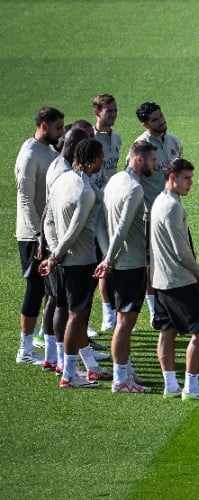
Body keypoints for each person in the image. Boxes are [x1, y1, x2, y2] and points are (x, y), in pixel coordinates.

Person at [40, 139, 108, 388]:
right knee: (77, 317)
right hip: (79, 262)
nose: (103, 161)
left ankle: (90, 367)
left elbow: (47, 220)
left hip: (60, 261)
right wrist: (57, 255)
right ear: (93, 159)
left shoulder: (63, 181)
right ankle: (69, 374)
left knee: (69, 312)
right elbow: (75, 230)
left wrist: (53, 253)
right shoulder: (84, 190)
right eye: (101, 157)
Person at [150, 158, 199, 400]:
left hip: (160, 281)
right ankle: (191, 386)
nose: (191, 183)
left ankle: (171, 385)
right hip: (178, 281)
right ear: (172, 178)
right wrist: (198, 271)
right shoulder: (173, 207)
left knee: (167, 332)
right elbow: (181, 250)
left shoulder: (160, 201)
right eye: (186, 179)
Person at [93, 140, 157, 392]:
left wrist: (107, 254)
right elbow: (122, 228)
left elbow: (100, 221)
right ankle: (120, 380)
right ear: (139, 159)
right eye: (152, 160)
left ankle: (126, 370)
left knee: (123, 320)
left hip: (118, 262)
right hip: (129, 264)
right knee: (124, 323)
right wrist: (109, 258)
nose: (156, 165)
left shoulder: (114, 181)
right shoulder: (134, 189)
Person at [15, 106, 63, 366]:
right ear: (43, 126)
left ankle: (44, 339)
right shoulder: (29, 155)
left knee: (50, 288)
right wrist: (37, 235)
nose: (61, 133)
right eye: (57, 128)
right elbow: (25, 199)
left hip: (45, 233)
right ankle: (24, 348)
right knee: (35, 288)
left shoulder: (48, 149)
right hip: (32, 235)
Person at [134, 101, 184, 326]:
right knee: (151, 265)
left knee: (178, 257)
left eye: (161, 116)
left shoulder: (174, 141)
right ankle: (155, 310)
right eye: (154, 120)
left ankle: (174, 306)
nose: (161, 121)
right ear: (145, 124)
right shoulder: (140, 147)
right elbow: (134, 178)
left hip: (174, 213)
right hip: (151, 216)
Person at [92, 94, 124, 332]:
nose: (113, 114)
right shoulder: (89, 139)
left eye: (114, 110)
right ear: (97, 111)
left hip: (111, 206)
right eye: (108, 111)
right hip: (92, 208)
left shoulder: (117, 139)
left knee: (111, 258)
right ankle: (107, 314)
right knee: (102, 259)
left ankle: (112, 312)